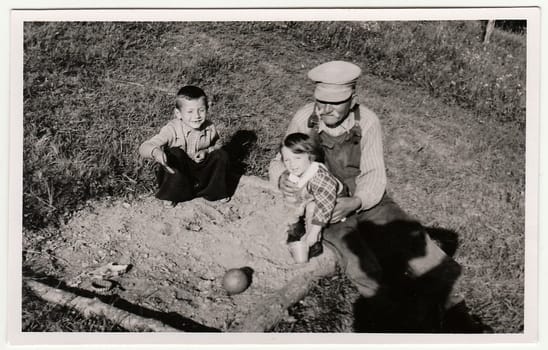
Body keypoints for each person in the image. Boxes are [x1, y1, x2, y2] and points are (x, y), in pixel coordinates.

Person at [269, 60, 462, 305]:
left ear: (353, 100)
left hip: (365, 198)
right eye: (321, 101)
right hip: (324, 204)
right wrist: (282, 177)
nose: (326, 110)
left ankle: (453, 305)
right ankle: (388, 310)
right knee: (357, 258)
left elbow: (373, 174)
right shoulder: (305, 118)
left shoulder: (367, 121)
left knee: (408, 237)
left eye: (335, 103)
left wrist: (357, 201)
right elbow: (279, 160)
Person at [139, 85, 230, 206]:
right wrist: (156, 152)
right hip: (179, 174)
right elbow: (144, 147)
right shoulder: (172, 129)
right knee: (175, 153)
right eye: (190, 111)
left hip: (200, 170)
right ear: (178, 113)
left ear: (207, 109)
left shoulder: (210, 127)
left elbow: (218, 144)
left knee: (221, 155)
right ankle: (172, 193)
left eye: (201, 110)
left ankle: (213, 191)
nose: (197, 116)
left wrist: (207, 151)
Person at [280, 132, 343, 260]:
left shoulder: (320, 177)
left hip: (331, 202)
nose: (292, 164)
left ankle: (314, 243)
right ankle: (296, 226)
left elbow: (324, 207)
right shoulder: (297, 171)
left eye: (297, 158)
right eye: (287, 160)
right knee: (291, 194)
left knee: (312, 208)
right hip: (313, 195)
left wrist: (314, 233)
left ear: (311, 157)